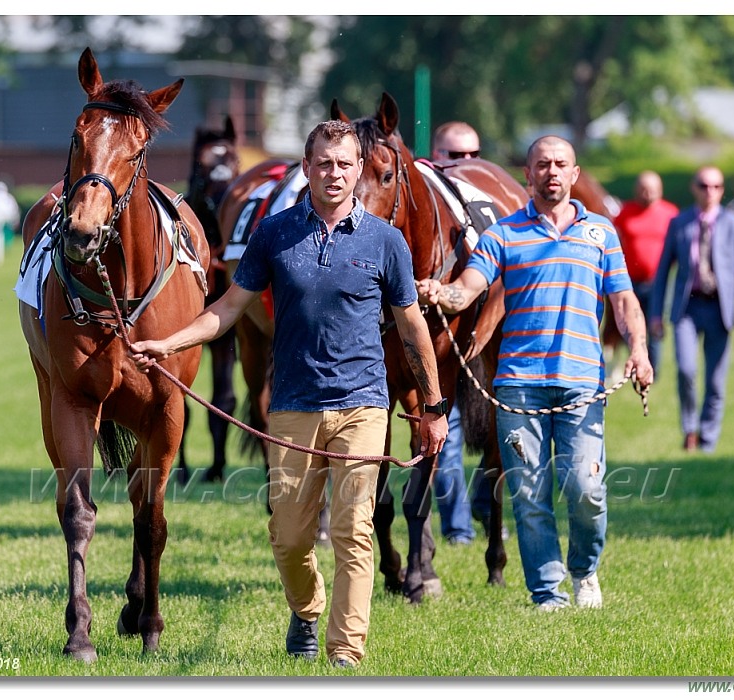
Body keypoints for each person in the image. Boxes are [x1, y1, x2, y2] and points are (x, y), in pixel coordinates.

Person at [129, 120, 448, 668]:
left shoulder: (386, 241)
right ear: (306, 168)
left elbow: (414, 327)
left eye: (345, 164)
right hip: (294, 407)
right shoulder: (274, 234)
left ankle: (345, 652)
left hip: (364, 405)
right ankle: (306, 610)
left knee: (354, 532)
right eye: (324, 163)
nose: (335, 173)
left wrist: (433, 407)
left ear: (356, 170)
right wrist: (166, 342)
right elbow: (227, 310)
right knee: (290, 536)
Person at [417, 135, 654, 610]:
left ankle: (585, 571)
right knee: (528, 495)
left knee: (587, 490)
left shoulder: (601, 234)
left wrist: (640, 351)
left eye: (559, 164)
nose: (551, 172)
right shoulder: (502, 235)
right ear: (527, 175)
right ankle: (548, 593)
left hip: (583, 384)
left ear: (574, 174)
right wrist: (441, 295)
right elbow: (468, 288)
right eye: (541, 164)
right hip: (519, 387)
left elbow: (624, 301)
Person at [649, 165, 734, 454]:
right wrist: (655, 315)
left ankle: (708, 438)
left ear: (722, 190)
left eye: (716, 186)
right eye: (703, 185)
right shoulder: (679, 222)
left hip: (719, 307)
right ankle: (689, 429)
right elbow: (662, 272)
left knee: (715, 380)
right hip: (687, 306)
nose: (709, 192)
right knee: (686, 370)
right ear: (693, 187)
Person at [429, 121, 482, 546]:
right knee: (449, 427)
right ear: (435, 155)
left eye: (472, 156)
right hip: (437, 342)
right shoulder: (432, 203)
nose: (465, 164)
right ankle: (459, 528)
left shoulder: (482, 204)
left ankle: (475, 514)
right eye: (454, 156)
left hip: (477, 336)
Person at [611, 170, 679, 380]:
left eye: (652, 190)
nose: (648, 194)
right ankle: (634, 360)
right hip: (629, 282)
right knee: (628, 323)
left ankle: (652, 370)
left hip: (659, 281)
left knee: (655, 325)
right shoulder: (625, 213)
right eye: (644, 189)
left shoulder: (670, 213)